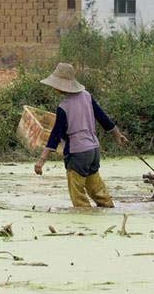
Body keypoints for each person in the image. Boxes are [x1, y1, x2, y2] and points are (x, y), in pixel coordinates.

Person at [34, 63, 129, 207]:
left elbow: (55, 136)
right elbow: (103, 118)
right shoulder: (86, 96)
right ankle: (108, 209)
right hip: (93, 151)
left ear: (60, 85)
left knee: (79, 198)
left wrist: (41, 160)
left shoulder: (63, 107)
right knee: (98, 191)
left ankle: (84, 222)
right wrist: (117, 135)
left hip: (77, 155)